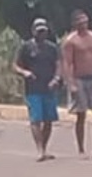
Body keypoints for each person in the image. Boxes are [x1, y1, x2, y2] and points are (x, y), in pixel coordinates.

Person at [61, 9, 92, 159]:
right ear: (74, 24)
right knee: (81, 115)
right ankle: (81, 149)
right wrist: (71, 84)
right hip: (79, 79)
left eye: (85, 21)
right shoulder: (71, 41)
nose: (84, 24)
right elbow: (67, 63)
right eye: (80, 22)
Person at [14, 17, 62, 162]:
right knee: (36, 119)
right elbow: (16, 65)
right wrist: (25, 72)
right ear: (33, 31)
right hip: (33, 89)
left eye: (44, 31)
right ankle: (39, 150)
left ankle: (45, 148)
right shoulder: (26, 47)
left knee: (48, 120)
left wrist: (57, 79)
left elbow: (59, 65)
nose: (42, 34)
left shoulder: (52, 48)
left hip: (49, 88)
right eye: (39, 31)